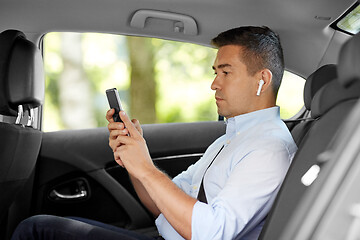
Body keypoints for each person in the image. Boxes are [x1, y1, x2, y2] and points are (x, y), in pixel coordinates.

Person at [11, 26, 297, 240]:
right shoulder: (232, 139)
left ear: (262, 79)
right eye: (215, 73)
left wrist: (146, 169)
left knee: (37, 230)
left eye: (225, 72)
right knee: (42, 225)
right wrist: (135, 157)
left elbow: (213, 232)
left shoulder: (268, 149)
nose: (214, 84)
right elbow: (162, 206)